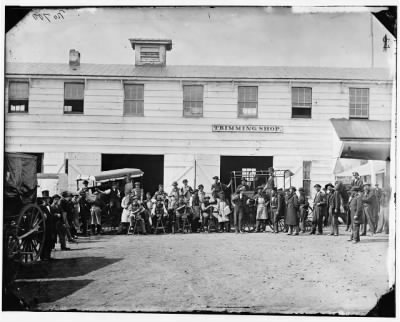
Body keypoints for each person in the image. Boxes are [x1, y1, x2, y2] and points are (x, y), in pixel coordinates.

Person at [39, 191, 56, 260]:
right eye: (45, 199)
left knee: (50, 242)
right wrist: (42, 215)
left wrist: (55, 215)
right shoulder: (40, 207)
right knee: (44, 242)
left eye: (47, 199)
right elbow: (39, 216)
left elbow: (52, 216)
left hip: (51, 227)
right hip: (44, 227)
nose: (46, 200)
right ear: (42, 200)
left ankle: (48, 256)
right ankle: (43, 256)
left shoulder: (50, 207)